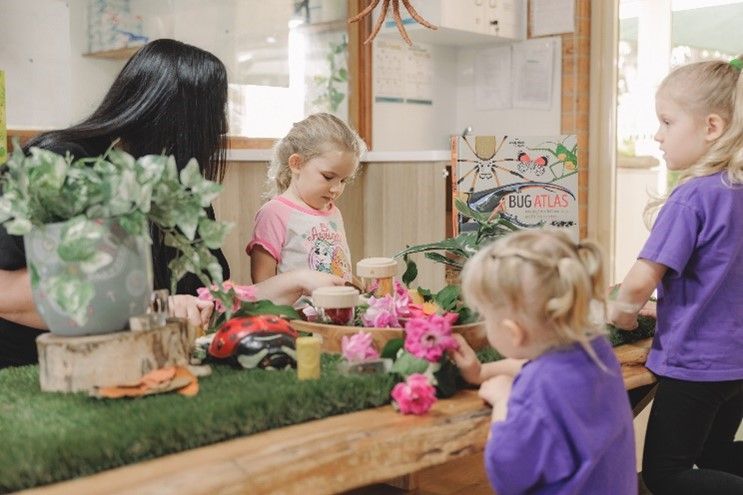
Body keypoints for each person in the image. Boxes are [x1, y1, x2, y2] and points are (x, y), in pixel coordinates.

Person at [0, 39, 343, 369]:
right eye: (215, 115)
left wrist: (298, 280)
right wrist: (154, 308)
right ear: (177, 119)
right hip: (30, 366)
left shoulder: (178, 191)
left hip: (140, 362)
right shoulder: (60, 164)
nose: (220, 129)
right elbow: (7, 293)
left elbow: (209, 302)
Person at [608, 56, 743, 494]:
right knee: (714, 452)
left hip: (696, 365)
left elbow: (636, 283)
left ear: (711, 127)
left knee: (667, 473)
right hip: (736, 364)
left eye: (667, 121)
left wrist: (624, 317)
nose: (657, 134)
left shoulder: (692, 197)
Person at [452, 229, 637, 495]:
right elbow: (540, 369)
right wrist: (482, 372)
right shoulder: (596, 351)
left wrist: (504, 401)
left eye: (485, 316)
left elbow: (506, 471)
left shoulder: (535, 391)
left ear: (514, 333)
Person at [247, 113, 365, 283]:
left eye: (343, 180)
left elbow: (336, 271)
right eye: (327, 176)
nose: (336, 189)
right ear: (296, 163)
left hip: (336, 308)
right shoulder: (274, 214)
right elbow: (262, 284)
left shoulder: (333, 212)